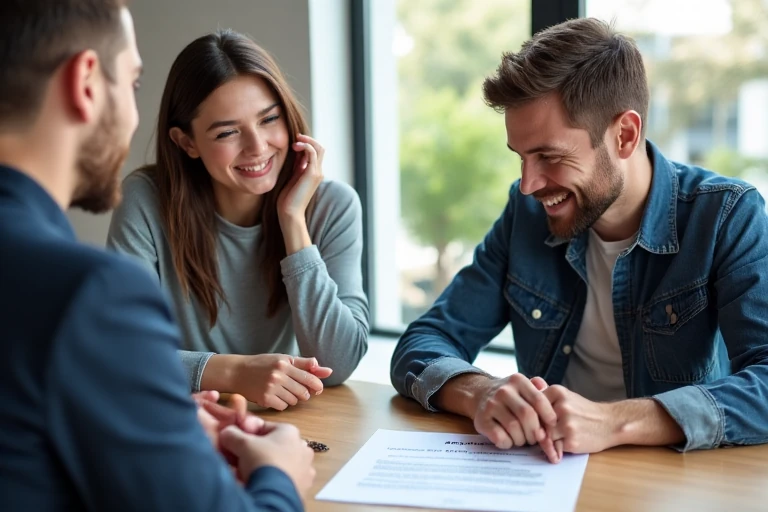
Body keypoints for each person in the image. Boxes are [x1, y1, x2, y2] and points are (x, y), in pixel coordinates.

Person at [391, 17, 768, 464]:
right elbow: (426, 340)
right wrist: (480, 392)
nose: (528, 184)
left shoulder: (726, 215)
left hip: (667, 479)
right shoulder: (526, 213)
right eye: (522, 158)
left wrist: (613, 421)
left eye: (549, 157)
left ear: (624, 135)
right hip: (544, 472)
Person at [0, 1, 314, 510]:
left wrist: (150, 418)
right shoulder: (90, 292)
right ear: (85, 84)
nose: (132, 115)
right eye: (133, 83)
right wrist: (279, 474)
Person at [107, 30, 369, 410]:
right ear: (187, 143)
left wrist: (293, 220)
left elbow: (338, 364)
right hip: (175, 417)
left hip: (285, 425)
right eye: (228, 132)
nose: (258, 147)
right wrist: (231, 373)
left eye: (269, 119)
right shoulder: (145, 201)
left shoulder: (332, 206)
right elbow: (119, 351)